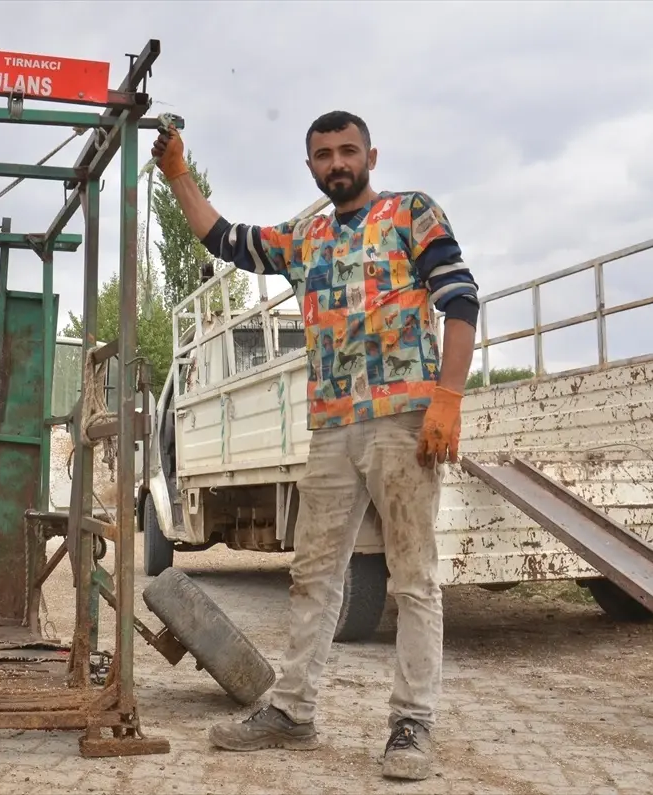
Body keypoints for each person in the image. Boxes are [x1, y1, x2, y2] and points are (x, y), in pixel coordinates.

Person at [151, 110, 479, 781]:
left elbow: (461, 299)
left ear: (371, 155)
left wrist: (448, 397)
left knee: (413, 575)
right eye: (324, 154)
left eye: (348, 151)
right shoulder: (306, 236)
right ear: (310, 167)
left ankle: (412, 723)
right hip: (332, 427)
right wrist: (178, 173)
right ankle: (293, 711)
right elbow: (224, 239)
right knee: (314, 574)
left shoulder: (411, 214)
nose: (337, 163)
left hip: (404, 419)